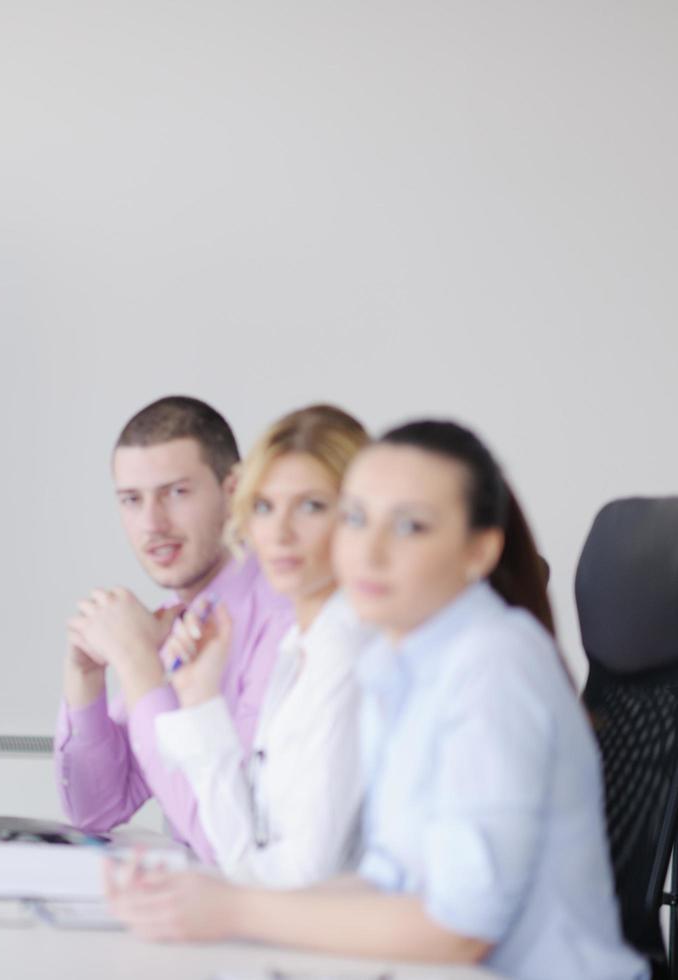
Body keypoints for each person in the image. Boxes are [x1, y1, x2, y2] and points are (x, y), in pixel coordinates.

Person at [107, 420, 645, 980]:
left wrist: (236, 909)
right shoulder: (397, 663)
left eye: (410, 526)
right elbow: (388, 883)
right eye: (357, 519)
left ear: (479, 550)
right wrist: (206, 895)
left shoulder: (493, 664)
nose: (370, 550)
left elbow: (460, 929)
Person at [58, 396, 294, 859]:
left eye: (176, 493)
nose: (152, 524)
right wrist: (86, 676)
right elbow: (96, 810)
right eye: (132, 500)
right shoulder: (175, 618)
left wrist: (135, 661)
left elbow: (227, 839)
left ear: (234, 490)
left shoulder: (285, 617)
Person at [153, 404, 375, 887]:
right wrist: (199, 698)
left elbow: (302, 880)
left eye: (311, 506)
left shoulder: (349, 651)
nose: (279, 533)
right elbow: (245, 852)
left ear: (358, 517)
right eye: (263, 507)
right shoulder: (301, 646)